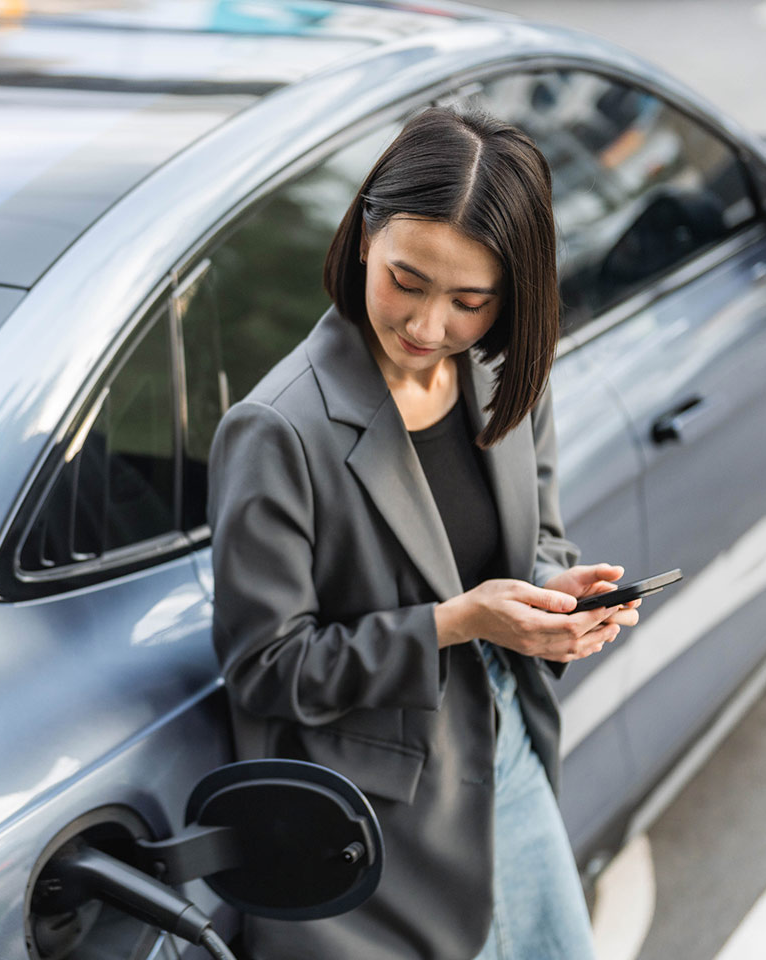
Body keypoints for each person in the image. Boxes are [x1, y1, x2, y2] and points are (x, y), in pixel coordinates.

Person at [203, 104, 642, 959]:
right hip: (384, 820)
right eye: (407, 280)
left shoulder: (503, 372)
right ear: (365, 233)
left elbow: (537, 539)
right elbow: (264, 668)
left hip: (505, 744)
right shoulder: (278, 427)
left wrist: (553, 598)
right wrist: (459, 621)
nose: (428, 326)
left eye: (470, 300)